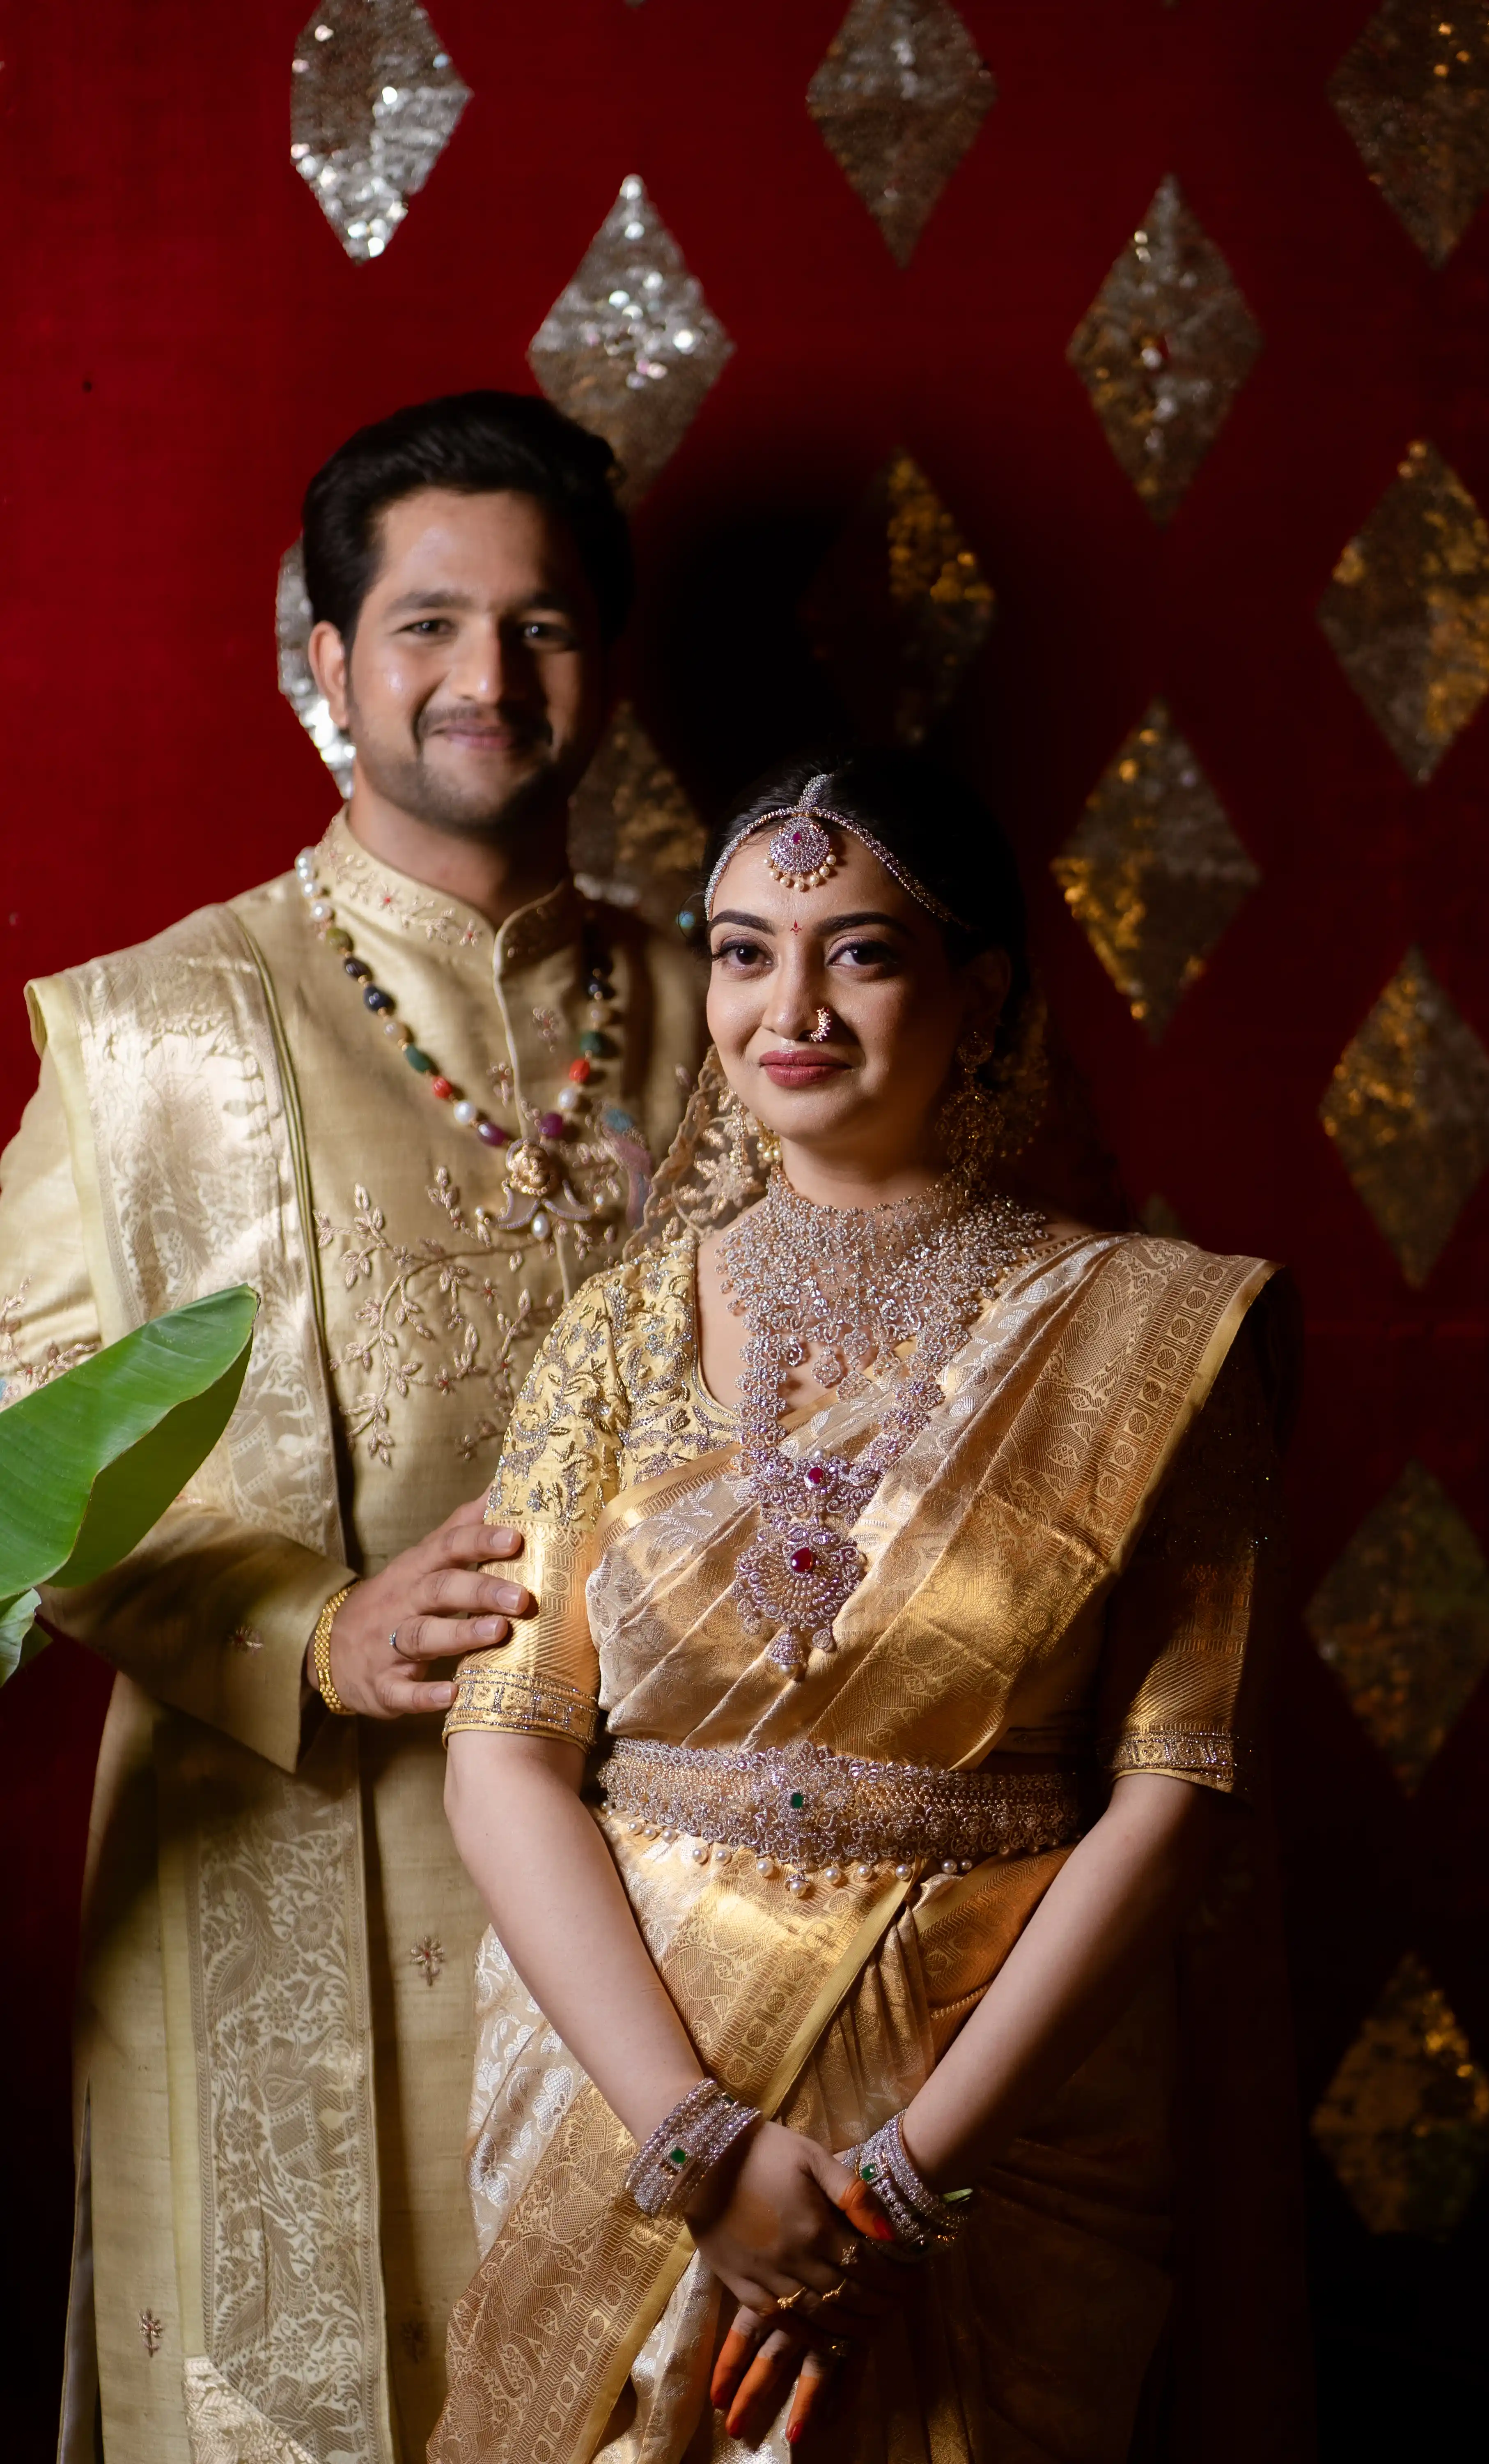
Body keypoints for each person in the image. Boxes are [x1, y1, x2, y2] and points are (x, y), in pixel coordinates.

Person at [431, 750, 1308, 2464]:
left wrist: (904, 2189)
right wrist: (699, 2146)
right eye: (746, 950)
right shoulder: (612, 1334)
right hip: (626, 2085)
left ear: (979, 992)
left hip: (993, 2108)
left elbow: (1177, 1791)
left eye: (863, 950)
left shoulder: (1148, 1337)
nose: (791, 1006)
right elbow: (507, 1758)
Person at [0, 391, 704, 2463]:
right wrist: (308, 1630)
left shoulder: (743, 1013)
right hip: (284, 1857)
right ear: (325, 662)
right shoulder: (152, 1032)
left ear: (610, 665)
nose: (486, 678)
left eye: (546, 627)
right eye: (424, 624)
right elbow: (14, 1442)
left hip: (678, 1883)